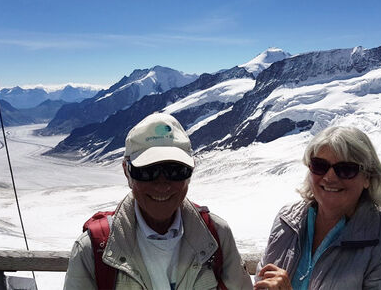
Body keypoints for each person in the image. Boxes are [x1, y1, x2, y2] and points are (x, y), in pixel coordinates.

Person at [64, 112, 252, 290]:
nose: (162, 185)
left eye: (176, 171)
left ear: (190, 174)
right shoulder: (93, 249)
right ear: (126, 171)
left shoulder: (218, 237)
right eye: (147, 171)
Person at [255, 126, 381, 290]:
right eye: (320, 165)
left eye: (346, 169)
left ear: (368, 178)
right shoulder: (286, 220)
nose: (329, 177)